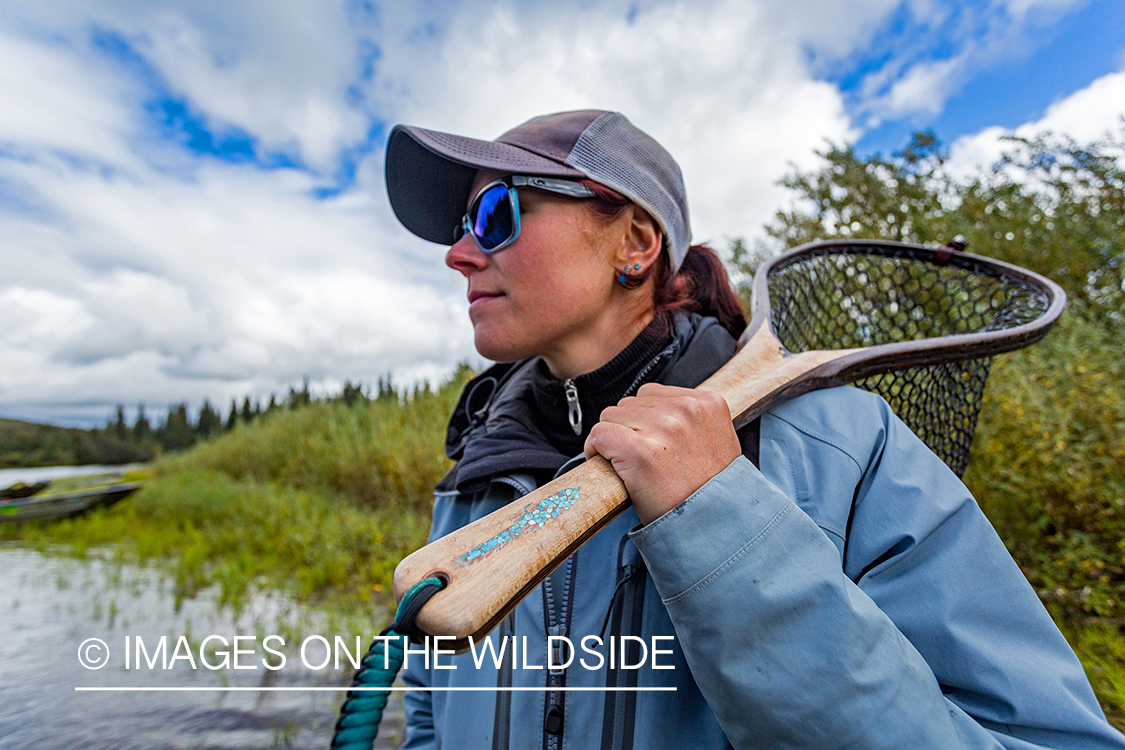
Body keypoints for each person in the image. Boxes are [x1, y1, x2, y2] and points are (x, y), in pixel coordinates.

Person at [382, 110, 1125, 750]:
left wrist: (719, 524)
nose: (458, 254)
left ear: (635, 244)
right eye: (459, 228)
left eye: (496, 215)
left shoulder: (841, 446)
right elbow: (429, 702)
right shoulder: (478, 468)